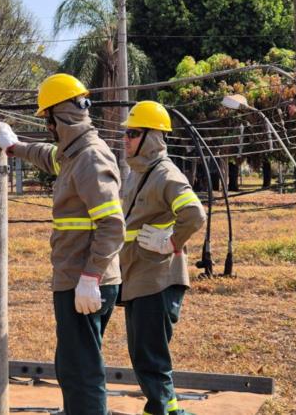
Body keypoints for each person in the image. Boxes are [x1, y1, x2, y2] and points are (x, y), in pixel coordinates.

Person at [0, 73, 124, 414]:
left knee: (81, 369)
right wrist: (13, 146)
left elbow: (112, 225)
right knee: (71, 361)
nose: (47, 127)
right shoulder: (74, 154)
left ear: (59, 116)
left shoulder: (90, 158)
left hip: (84, 281)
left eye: (47, 119)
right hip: (75, 279)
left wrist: (91, 278)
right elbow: (49, 156)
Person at [119, 101, 206, 415]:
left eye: (133, 133)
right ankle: (160, 409)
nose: (126, 139)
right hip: (137, 277)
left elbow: (195, 214)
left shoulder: (165, 174)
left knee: (150, 357)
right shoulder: (136, 174)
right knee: (143, 354)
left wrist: (172, 241)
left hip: (156, 279)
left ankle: (168, 411)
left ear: (152, 137)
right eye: (126, 133)